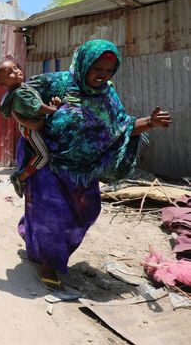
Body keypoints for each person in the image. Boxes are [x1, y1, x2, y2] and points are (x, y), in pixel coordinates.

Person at [15, 40, 172, 289]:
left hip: (84, 171)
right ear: (85, 62)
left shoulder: (107, 93)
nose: (103, 75)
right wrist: (34, 121)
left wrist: (150, 123)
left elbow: (123, 126)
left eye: (109, 70)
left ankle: (36, 237)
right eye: (97, 68)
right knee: (52, 218)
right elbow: (17, 97)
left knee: (87, 212)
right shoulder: (55, 83)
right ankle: (49, 265)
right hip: (50, 165)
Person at [0, 60, 61, 198]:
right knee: (43, 156)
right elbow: (39, 107)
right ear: (3, 84)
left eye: (16, 68)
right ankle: (20, 177)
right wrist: (54, 109)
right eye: (10, 73)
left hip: (33, 124)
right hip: (31, 130)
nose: (16, 71)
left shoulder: (23, 87)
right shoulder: (19, 94)